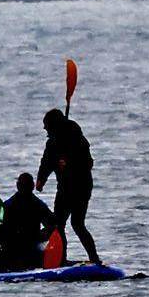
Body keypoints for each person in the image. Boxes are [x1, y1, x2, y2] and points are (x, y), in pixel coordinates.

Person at [37, 109, 101, 265]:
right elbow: (46, 162)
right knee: (58, 225)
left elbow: (88, 162)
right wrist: (41, 180)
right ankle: (61, 259)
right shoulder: (52, 143)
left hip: (81, 187)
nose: (45, 130)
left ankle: (94, 258)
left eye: (47, 126)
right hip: (64, 188)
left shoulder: (76, 138)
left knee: (77, 224)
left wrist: (69, 162)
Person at [0, 172, 55, 271]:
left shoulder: (38, 205)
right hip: (13, 247)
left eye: (26, 185)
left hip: (31, 244)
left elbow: (52, 225)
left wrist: (41, 235)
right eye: (23, 185)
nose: (25, 188)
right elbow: (0, 229)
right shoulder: (9, 205)